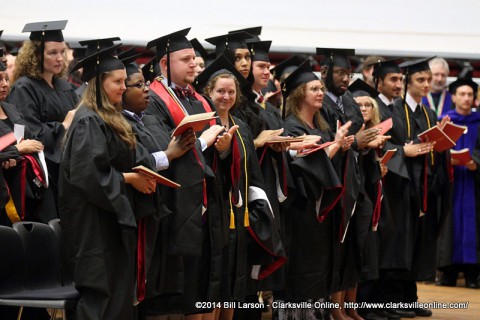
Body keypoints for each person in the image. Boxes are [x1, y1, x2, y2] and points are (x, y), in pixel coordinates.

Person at [59, 44, 158, 319]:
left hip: (110, 222)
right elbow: (88, 175)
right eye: (117, 81)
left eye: (125, 81)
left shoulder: (111, 118)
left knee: (118, 297)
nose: (124, 87)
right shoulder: (88, 121)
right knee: (101, 298)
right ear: (98, 84)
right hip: (93, 226)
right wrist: (131, 179)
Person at [143, 28, 225, 318]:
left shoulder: (196, 98)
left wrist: (222, 144)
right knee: (171, 286)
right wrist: (206, 140)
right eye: (186, 58)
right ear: (165, 64)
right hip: (172, 203)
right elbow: (165, 147)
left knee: (197, 283)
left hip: (201, 201)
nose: (194, 64)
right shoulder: (153, 99)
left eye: (194, 58)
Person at [279, 59, 349, 320]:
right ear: (299, 95)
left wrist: (340, 145)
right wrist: (335, 146)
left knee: (320, 266)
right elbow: (304, 167)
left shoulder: (321, 127)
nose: (321, 93)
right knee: (303, 267)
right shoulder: (291, 128)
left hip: (323, 213)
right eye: (314, 89)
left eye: (321, 88)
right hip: (301, 211)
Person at [7, 20, 77, 223]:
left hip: (68, 170)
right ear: (36, 55)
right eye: (52, 53)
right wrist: (63, 125)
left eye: (62, 52)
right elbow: (29, 133)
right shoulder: (24, 88)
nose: (59, 58)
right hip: (44, 176)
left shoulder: (64, 86)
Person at [437, 77, 480, 289]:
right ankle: (448, 272)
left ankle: (473, 274)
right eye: (461, 94)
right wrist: (447, 159)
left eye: (470, 95)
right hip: (451, 182)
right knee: (449, 223)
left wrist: (476, 163)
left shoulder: (479, 121)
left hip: (473, 183)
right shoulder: (444, 121)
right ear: (453, 97)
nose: (466, 98)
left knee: (474, 225)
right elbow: (435, 148)